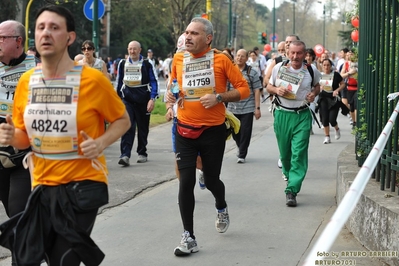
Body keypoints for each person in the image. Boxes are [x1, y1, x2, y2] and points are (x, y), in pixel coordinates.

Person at [0, 5, 130, 266]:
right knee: (24, 257)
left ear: (70, 38)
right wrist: (12, 137)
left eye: (54, 27)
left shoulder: (92, 80)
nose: (46, 33)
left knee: (62, 260)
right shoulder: (27, 82)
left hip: (82, 186)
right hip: (42, 185)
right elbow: (26, 140)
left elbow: (122, 120)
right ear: (34, 38)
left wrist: (101, 143)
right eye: (40, 27)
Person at [166, 17, 249, 256]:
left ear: (208, 38)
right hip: (184, 129)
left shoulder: (221, 60)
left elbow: (243, 89)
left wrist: (219, 98)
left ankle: (221, 206)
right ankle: (188, 237)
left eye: (194, 34)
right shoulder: (179, 58)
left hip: (212, 131)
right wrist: (171, 97)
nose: (188, 37)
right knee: (186, 182)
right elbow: (173, 84)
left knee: (212, 181)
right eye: (187, 32)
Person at [0, 20, 38, 265]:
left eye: (1, 38)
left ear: (18, 41)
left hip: (24, 156)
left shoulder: (37, 68)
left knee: (19, 217)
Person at [266, 40, 321, 207]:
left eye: (299, 53)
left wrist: (313, 93)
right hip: (282, 114)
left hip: (302, 115)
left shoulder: (311, 70)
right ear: (288, 53)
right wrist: (276, 90)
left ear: (305, 54)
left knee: (299, 153)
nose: (295, 56)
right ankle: (288, 174)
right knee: (285, 154)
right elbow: (268, 85)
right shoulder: (278, 68)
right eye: (293, 53)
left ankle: (292, 190)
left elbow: (318, 86)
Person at [116, 40, 158, 166]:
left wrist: (152, 98)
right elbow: (118, 82)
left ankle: (142, 152)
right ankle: (125, 155)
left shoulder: (147, 63)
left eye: (134, 49)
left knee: (143, 128)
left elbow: (154, 81)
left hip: (143, 100)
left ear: (140, 50)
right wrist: (117, 98)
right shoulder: (122, 63)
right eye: (130, 49)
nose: (132, 51)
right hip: (128, 100)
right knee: (127, 126)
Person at [227, 49, 262, 163]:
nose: (239, 58)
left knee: (245, 132)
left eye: (242, 56)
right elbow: (225, 88)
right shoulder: (230, 71)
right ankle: (240, 146)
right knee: (235, 132)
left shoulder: (252, 72)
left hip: (248, 106)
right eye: (237, 56)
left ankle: (242, 154)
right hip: (232, 107)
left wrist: (257, 108)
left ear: (247, 58)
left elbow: (257, 90)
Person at [318, 59, 346, 144]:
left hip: (333, 99)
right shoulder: (320, 75)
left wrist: (337, 90)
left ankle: (337, 129)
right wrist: (319, 88)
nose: (326, 67)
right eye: (324, 65)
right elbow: (315, 86)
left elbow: (343, 84)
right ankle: (327, 137)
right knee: (325, 119)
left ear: (331, 66)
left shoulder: (335, 74)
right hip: (323, 98)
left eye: (328, 65)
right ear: (322, 66)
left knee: (332, 119)